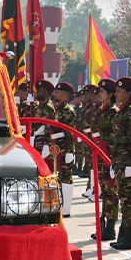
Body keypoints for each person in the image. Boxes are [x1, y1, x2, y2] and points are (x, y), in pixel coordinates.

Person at [109, 77, 131, 250]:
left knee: (129, 200)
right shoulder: (122, 111)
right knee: (124, 198)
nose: (116, 94)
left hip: (128, 163)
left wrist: (130, 164)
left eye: (119, 91)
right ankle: (125, 234)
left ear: (129, 93)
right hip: (120, 161)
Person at [91, 79, 120, 241]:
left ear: (110, 95)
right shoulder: (100, 110)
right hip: (102, 154)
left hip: (110, 155)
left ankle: (110, 228)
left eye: (102, 92)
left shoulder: (114, 112)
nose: (99, 94)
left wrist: (113, 161)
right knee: (104, 191)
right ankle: (103, 227)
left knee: (111, 192)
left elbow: (116, 138)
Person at [52, 82, 76, 217]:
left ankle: (66, 208)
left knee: (66, 177)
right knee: (58, 177)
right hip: (56, 147)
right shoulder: (57, 108)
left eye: (59, 92)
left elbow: (69, 132)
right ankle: (60, 204)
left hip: (64, 148)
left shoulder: (67, 110)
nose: (56, 94)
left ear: (65, 95)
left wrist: (70, 151)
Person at [32, 80, 55, 159]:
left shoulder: (48, 107)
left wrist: (46, 144)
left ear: (45, 93)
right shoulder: (40, 105)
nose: (37, 93)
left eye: (39, 91)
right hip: (37, 137)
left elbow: (48, 127)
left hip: (43, 140)